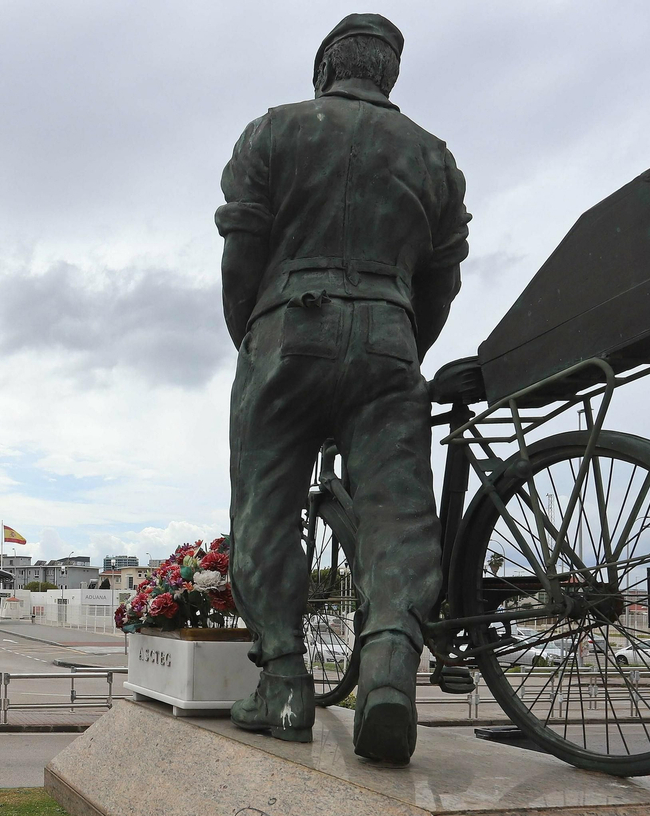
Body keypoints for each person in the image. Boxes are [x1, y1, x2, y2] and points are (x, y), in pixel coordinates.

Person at [217, 13, 470, 763]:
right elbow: (443, 281)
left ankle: (286, 684)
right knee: (397, 513)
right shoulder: (434, 157)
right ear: (388, 75)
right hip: (392, 335)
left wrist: (253, 337)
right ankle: (390, 669)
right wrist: (400, 344)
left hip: (286, 330)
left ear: (327, 69)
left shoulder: (273, 131)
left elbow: (242, 257)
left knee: (266, 504)